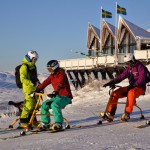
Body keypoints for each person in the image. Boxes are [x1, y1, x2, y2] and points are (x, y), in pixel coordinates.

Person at [101, 53, 147, 122]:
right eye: (127, 63)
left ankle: (127, 114)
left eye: (129, 63)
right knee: (115, 93)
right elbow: (121, 77)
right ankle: (110, 114)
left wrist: (133, 85)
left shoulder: (140, 66)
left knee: (131, 92)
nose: (128, 65)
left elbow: (142, 78)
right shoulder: (129, 69)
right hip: (131, 87)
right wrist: (111, 82)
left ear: (133, 60)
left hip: (140, 88)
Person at [34, 60, 73, 131]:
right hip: (57, 96)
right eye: (48, 69)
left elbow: (60, 84)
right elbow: (46, 82)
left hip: (65, 97)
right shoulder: (52, 76)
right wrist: (38, 89)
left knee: (54, 104)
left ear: (55, 67)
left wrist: (55, 91)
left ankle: (59, 123)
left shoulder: (62, 75)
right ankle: (46, 124)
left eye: (50, 69)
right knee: (44, 105)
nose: (50, 71)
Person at [19, 50, 40, 128]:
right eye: (34, 59)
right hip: (28, 89)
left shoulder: (33, 66)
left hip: (34, 88)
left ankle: (33, 121)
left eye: (36, 60)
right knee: (28, 105)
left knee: (34, 106)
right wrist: (31, 83)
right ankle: (23, 122)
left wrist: (38, 82)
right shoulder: (24, 66)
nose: (35, 61)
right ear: (30, 58)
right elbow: (23, 79)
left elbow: (34, 77)